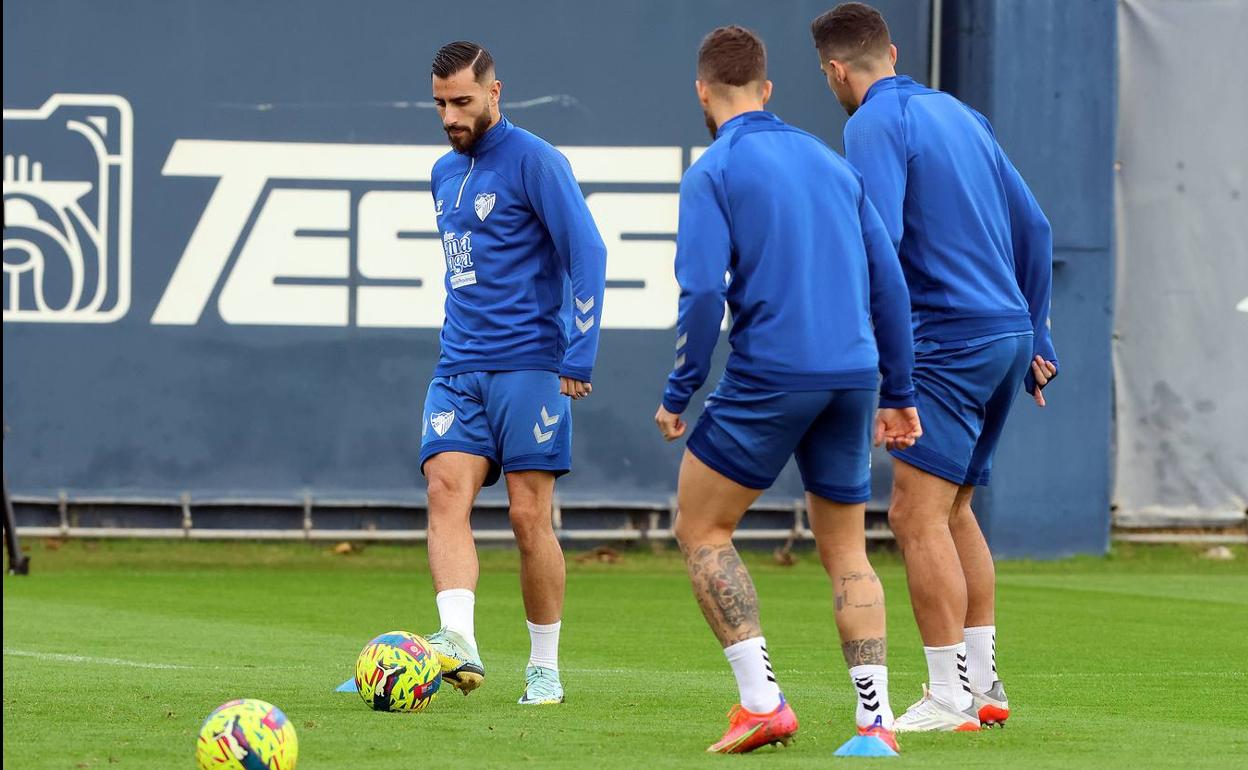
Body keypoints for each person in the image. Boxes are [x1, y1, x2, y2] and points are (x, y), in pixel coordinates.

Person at [654, 25, 919, 755]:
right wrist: (897, 389)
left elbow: (703, 291)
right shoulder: (830, 163)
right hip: (855, 374)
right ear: (767, 90)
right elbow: (889, 283)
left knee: (703, 527)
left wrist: (680, 391)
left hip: (773, 372)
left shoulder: (715, 170)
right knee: (849, 552)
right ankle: (875, 724)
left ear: (703, 92)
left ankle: (762, 701)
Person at [811, 2, 1060, 731]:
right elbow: (1036, 227)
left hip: (946, 340)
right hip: (1007, 334)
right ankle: (983, 687)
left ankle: (947, 695)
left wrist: (866, 351)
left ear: (835, 70)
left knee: (913, 514)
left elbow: (878, 242)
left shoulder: (870, 123)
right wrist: (1039, 334)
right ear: (889, 50)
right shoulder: (961, 114)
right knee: (953, 512)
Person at [419, 40, 607, 706]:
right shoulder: (443, 172)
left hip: (530, 364)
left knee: (529, 518)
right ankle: (457, 641)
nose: (450, 115)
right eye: (440, 103)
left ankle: (544, 667)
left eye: (462, 101)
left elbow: (587, 251)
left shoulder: (535, 161)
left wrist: (578, 351)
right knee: (445, 490)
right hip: (459, 365)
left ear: (495, 93)